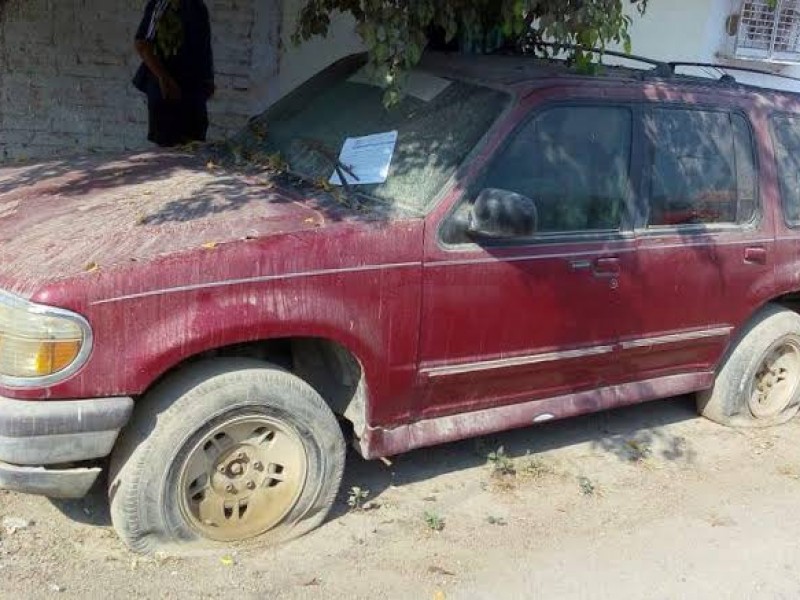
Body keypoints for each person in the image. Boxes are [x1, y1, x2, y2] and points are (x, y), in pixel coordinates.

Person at [133, 0, 215, 147]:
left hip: (192, 87)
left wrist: (208, 81)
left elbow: (204, 49)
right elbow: (142, 44)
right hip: (166, 87)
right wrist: (164, 79)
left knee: (194, 142)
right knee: (168, 143)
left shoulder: (198, 7)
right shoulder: (160, 5)